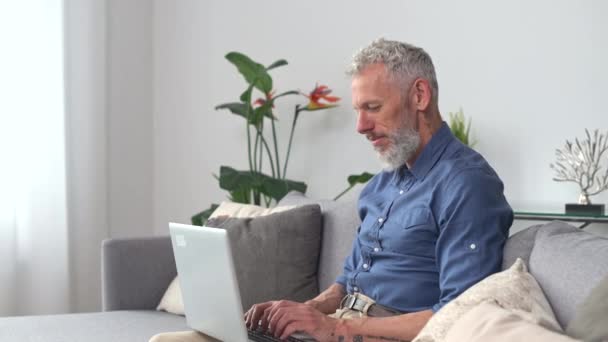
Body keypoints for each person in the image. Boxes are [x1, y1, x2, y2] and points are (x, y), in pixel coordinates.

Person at [151, 38, 513, 342]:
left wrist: (337, 327)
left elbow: (457, 315)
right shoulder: (381, 185)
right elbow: (343, 286)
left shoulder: (467, 184)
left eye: (373, 107)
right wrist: (299, 312)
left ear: (419, 96)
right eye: (359, 110)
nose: (360, 126)